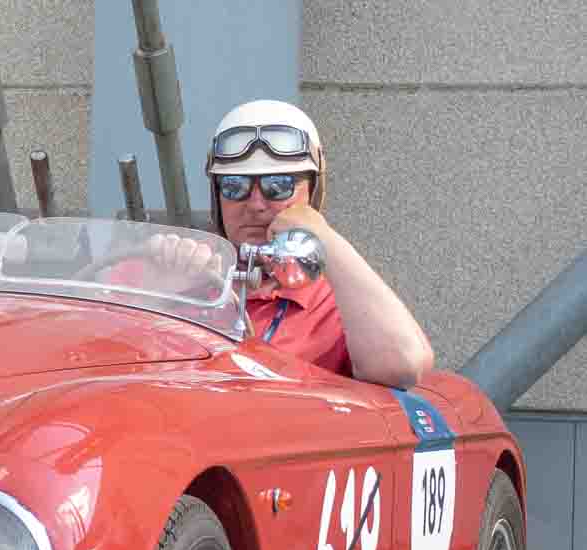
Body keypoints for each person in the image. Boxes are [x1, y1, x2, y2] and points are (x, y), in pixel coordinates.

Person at [148, 99, 433, 388]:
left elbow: (402, 365)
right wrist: (164, 291)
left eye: (279, 185)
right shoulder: (176, 275)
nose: (256, 204)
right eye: (235, 186)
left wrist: (324, 238)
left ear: (312, 193)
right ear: (217, 196)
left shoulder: (340, 299)